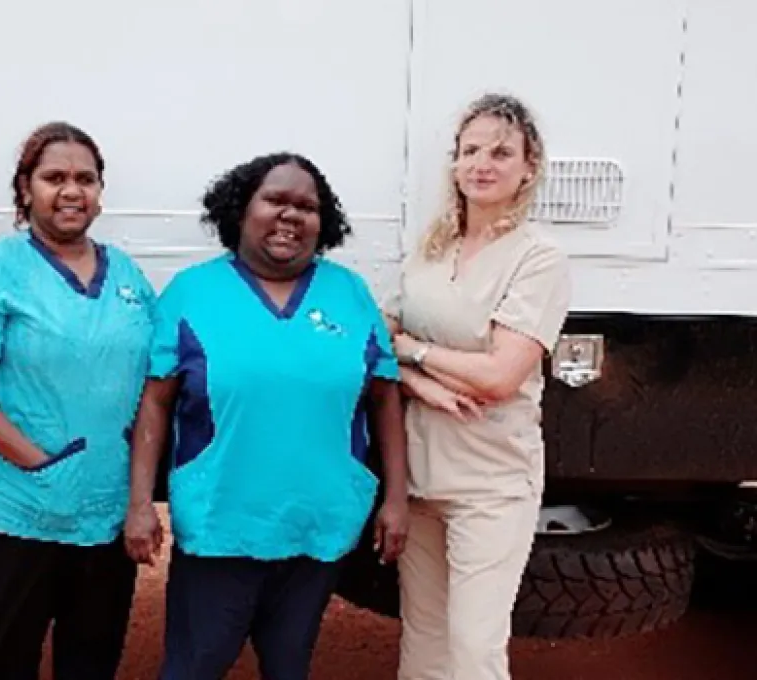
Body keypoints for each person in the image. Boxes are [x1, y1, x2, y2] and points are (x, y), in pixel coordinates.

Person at [125, 152, 410, 680]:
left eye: (307, 206)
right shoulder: (192, 292)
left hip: (318, 523)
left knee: (288, 665)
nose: (291, 215)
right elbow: (156, 401)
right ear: (240, 209)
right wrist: (141, 502)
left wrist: (395, 497)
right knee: (195, 665)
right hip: (222, 525)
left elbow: (384, 394)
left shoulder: (348, 293)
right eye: (275, 200)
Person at [0, 121, 154, 680]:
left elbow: (150, 391)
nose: (72, 191)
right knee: (11, 662)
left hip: (105, 513)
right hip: (17, 514)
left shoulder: (127, 274)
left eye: (85, 179)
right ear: (26, 189)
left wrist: (136, 496)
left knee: (92, 663)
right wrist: (40, 465)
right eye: (54, 177)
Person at [386, 93, 572, 680]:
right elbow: (378, 339)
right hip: (420, 478)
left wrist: (412, 353)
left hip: (490, 483)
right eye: (469, 151)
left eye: (500, 152)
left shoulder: (538, 258)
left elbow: (500, 375)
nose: (481, 164)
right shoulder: (430, 249)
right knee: (423, 643)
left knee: (473, 652)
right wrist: (421, 385)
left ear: (528, 167)